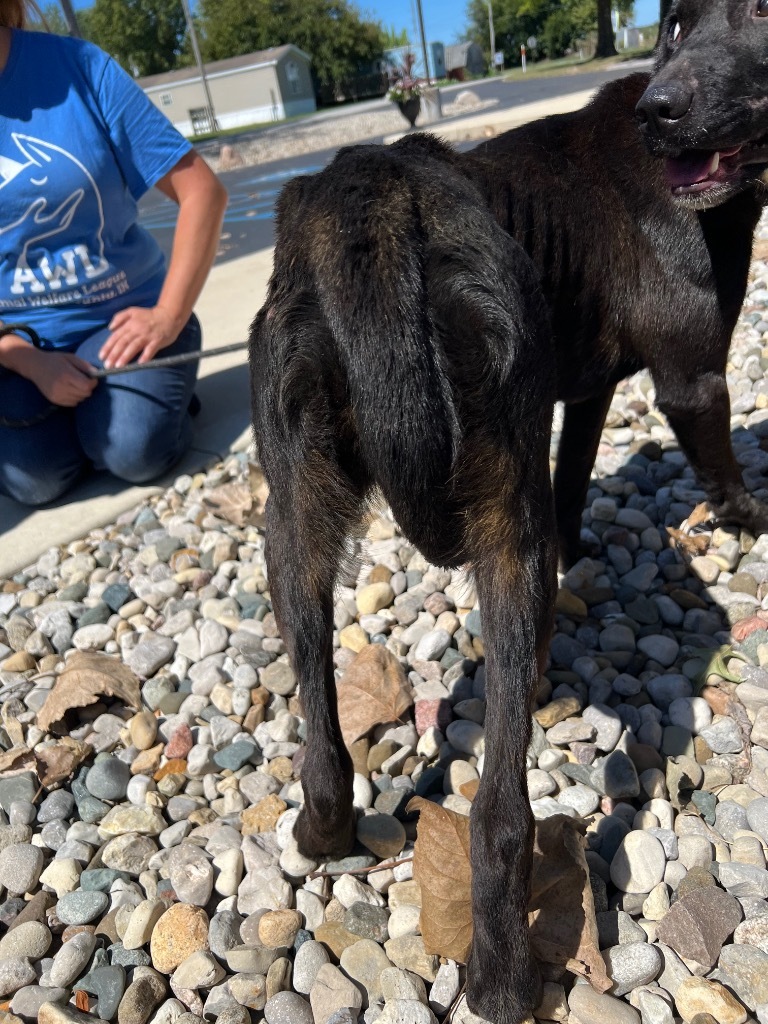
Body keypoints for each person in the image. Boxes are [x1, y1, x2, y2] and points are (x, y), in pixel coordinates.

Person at [0, 0, 228, 506]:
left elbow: (202, 193)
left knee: (134, 451)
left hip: (126, 318)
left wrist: (168, 316)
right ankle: (101, 415)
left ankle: (156, 394)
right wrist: (27, 362)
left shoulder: (80, 67)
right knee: (32, 480)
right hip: (18, 343)